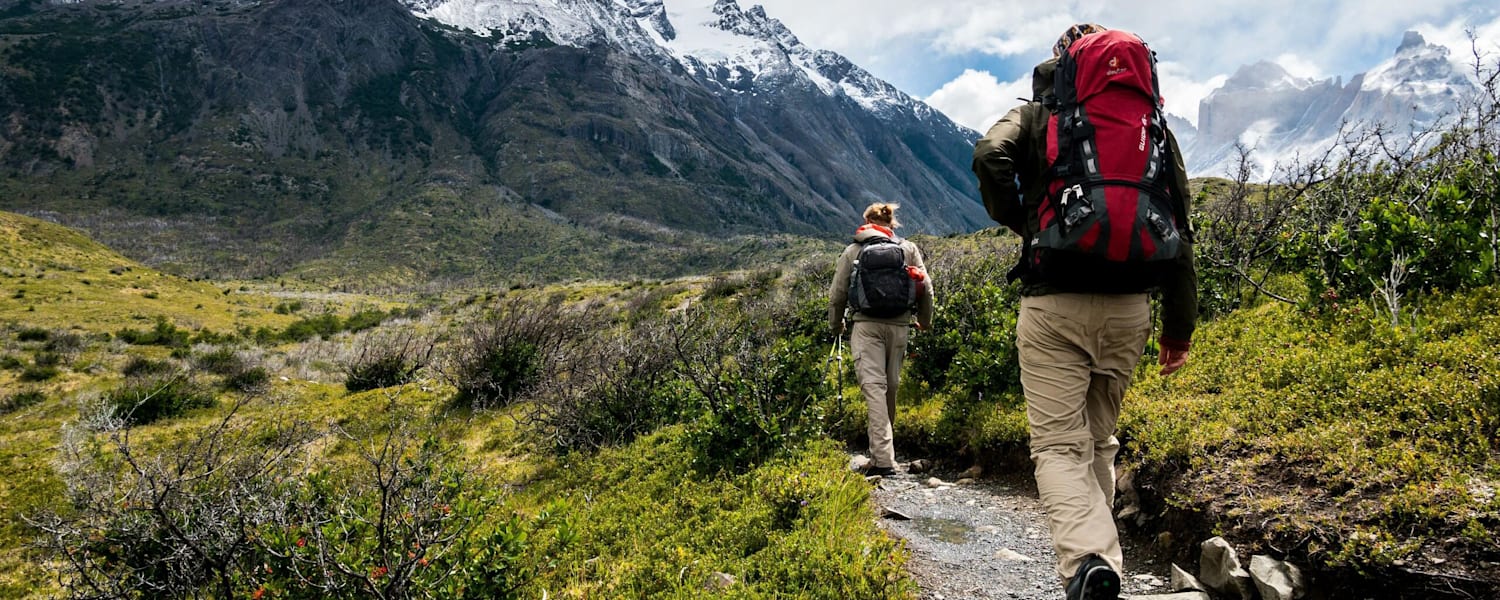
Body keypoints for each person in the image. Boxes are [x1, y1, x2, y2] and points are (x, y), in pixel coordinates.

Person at [971, 24, 1198, 600]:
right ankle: (1106, 566)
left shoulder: (1042, 115)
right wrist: (1179, 327)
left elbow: (988, 154)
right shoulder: (1153, 128)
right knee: (1099, 439)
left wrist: (1029, 222)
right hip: (1131, 308)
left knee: (1056, 446)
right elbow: (1178, 223)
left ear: (1064, 63)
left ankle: (1087, 561)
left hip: (1055, 303)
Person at [828, 203, 934, 477]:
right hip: (900, 326)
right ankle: (883, 453)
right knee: (891, 387)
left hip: (866, 327)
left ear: (866, 222)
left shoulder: (854, 250)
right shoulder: (907, 249)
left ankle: (883, 460)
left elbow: (838, 293)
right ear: (892, 223)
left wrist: (836, 324)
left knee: (874, 388)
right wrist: (925, 321)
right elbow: (926, 287)